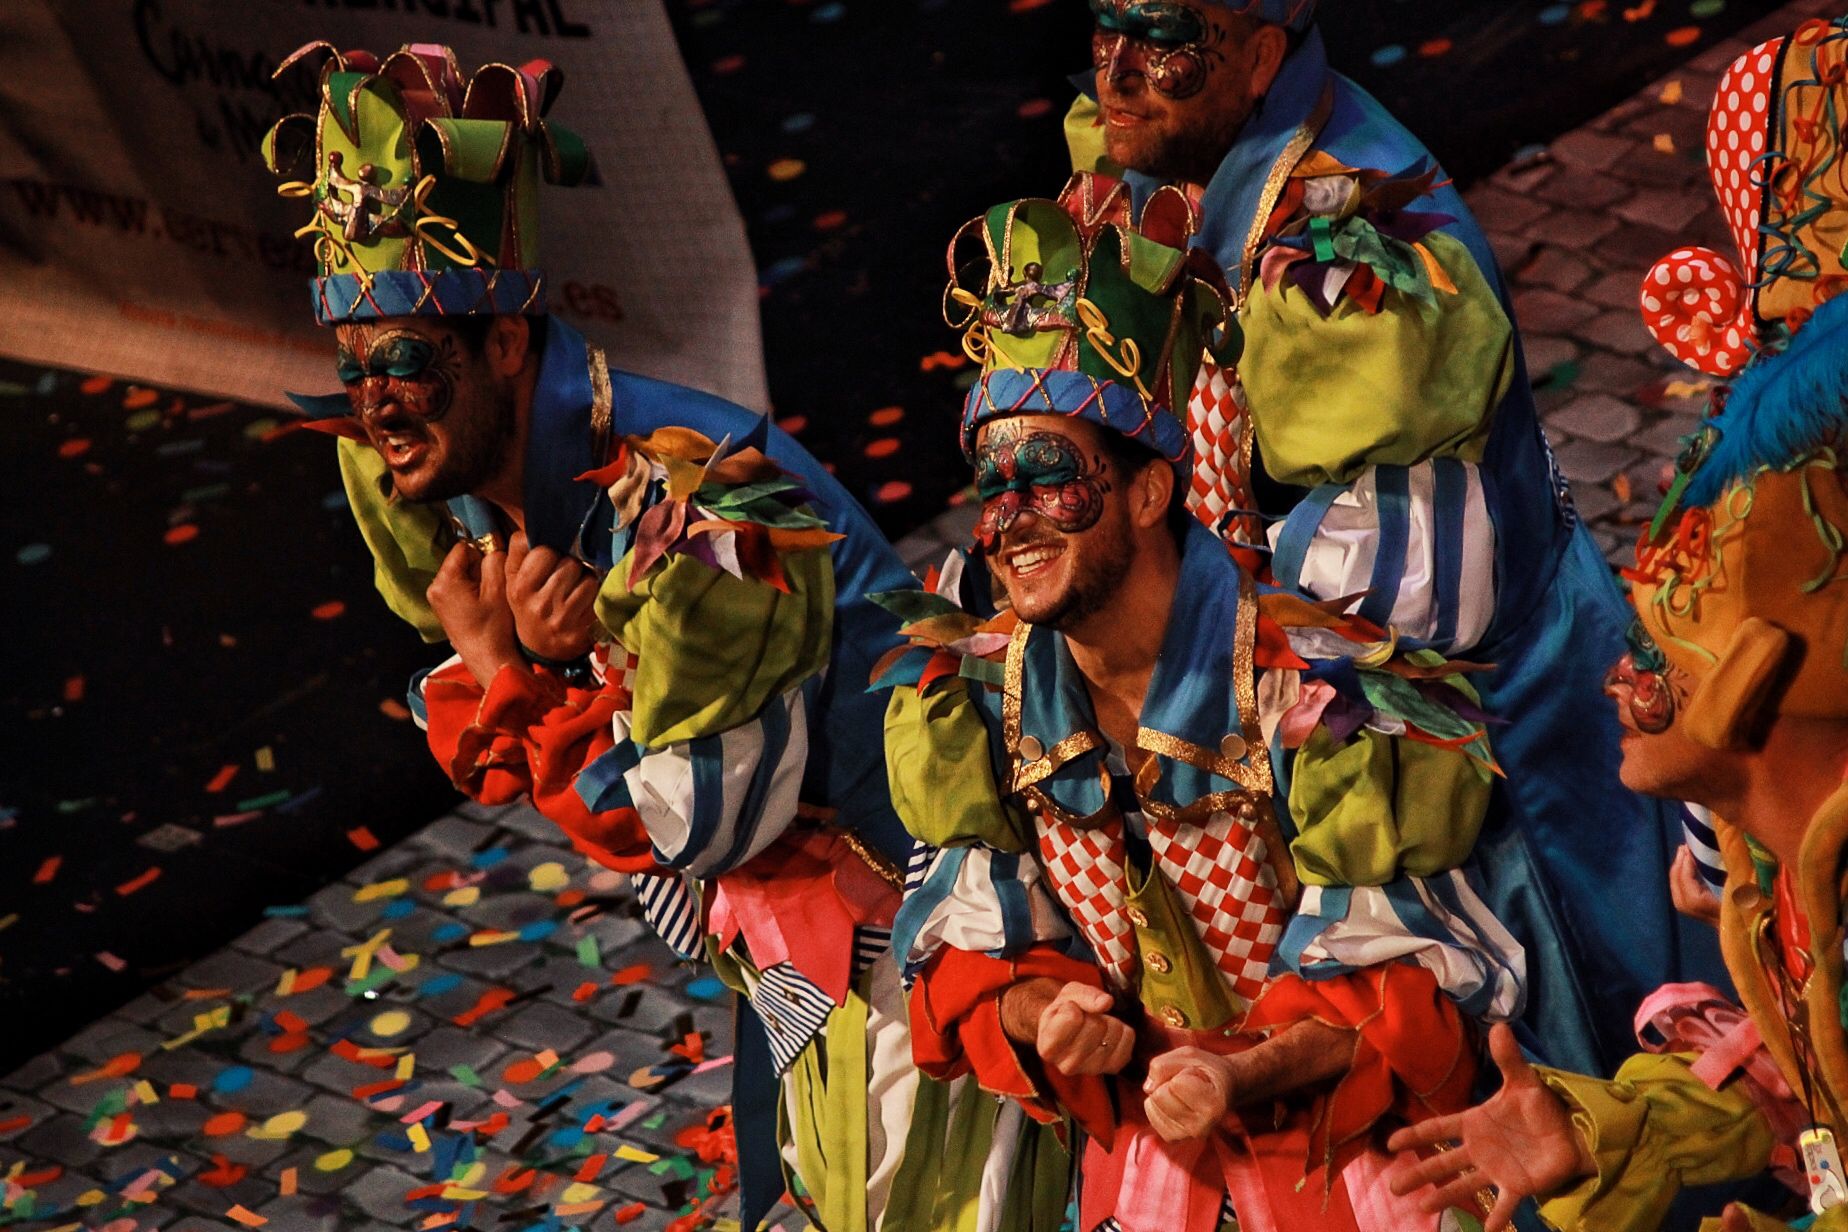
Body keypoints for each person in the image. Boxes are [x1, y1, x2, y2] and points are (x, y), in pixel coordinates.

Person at [260, 41, 1069, 1231]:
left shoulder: (693, 515)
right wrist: (530, 670)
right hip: (785, 947)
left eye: (406, 361)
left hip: (921, 935)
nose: (376, 402)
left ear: (504, 343)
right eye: (354, 365)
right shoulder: (444, 481)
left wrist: (511, 673)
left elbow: (690, 821)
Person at [1051, 0, 1724, 1077]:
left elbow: (1386, 657)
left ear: (1260, 55)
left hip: (1464, 759)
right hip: (1326, 697)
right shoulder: (1189, 154)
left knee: (1556, 1079)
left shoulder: (1355, 279)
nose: (1119, 71)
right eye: (1107, 29)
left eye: (1165, 38)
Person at [881, 174, 1526, 1232]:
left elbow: (1406, 978)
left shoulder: (1311, 689)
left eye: (1048, 474)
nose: (1009, 521)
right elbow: (969, 950)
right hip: (1159, 1166)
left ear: (1147, 492)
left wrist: (1241, 1072)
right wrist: (1055, 1013)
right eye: (992, 489)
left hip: (1363, 1165)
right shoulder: (986, 700)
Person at [1387, 18, 1848, 1231]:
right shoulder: (1777, 880)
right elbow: (1801, 1087)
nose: (1620, 680)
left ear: (1751, 675)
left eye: (1657, 650)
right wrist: (1616, 1126)